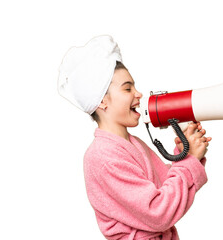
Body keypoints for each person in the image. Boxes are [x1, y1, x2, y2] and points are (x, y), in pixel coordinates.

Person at [58, 35, 212, 240]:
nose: (138, 94)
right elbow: (158, 212)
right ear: (102, 101)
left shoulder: (130, 143)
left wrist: (185, 154)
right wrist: (189, 160)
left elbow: (164, 188)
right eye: (128, 88)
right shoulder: (102, 156)